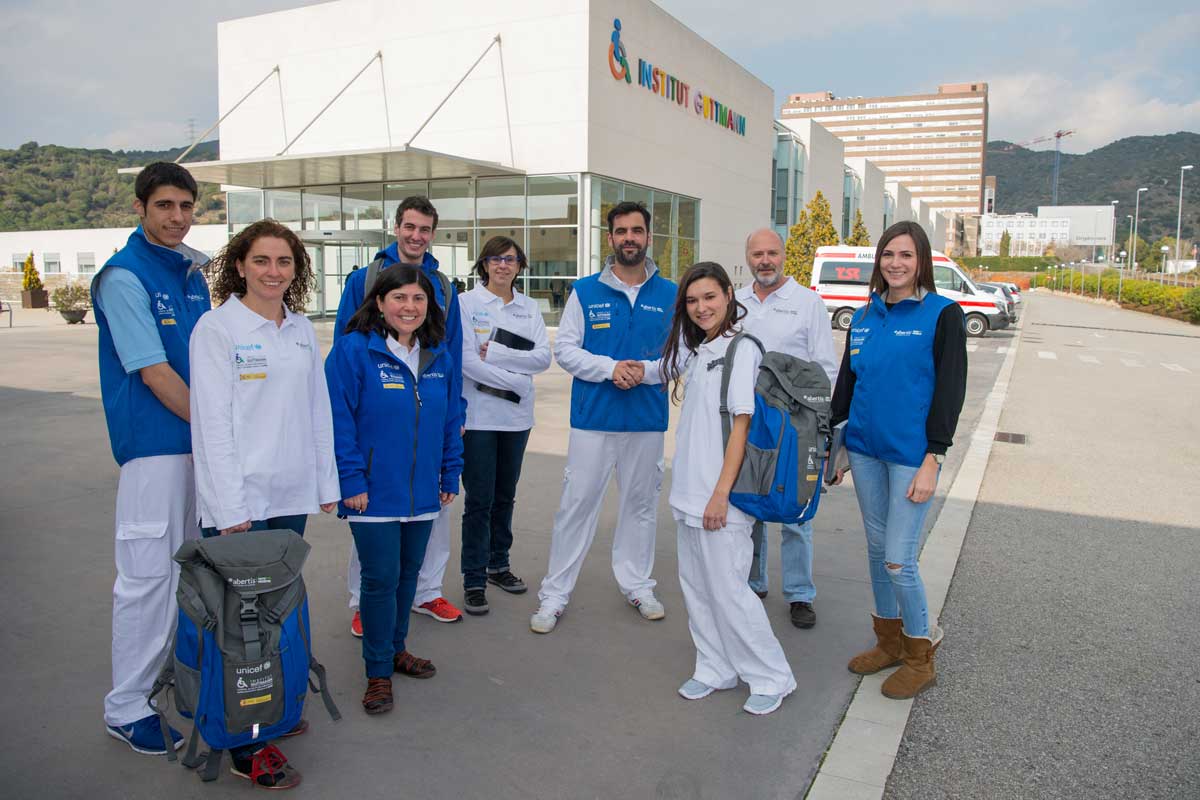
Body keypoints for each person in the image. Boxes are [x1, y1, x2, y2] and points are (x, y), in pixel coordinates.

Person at [188, 220, 340, 787]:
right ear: (239, 265)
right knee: (238, 625)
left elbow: (317, 409)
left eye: (284, 262)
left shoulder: (299, 329)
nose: (273, 272)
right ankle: (243, 743)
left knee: (277, 612)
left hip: (289, 496)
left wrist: (325, 482)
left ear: (296, 269)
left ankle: (270, 706)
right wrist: (230, 508)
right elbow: (212, 425)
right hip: (241, 503)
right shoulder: (217, 329)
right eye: (261, 260)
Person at [91, 162, 210, 755]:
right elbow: (154, 372)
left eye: (185, 206)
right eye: (164, 205)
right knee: (147, 580)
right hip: (155, 451)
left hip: (196, 450)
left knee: (190, 575)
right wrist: (217, 433)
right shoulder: (124, 276)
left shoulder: (191, 273)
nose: (177, 217)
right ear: (140, 207)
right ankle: (127, 706)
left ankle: (173, 681)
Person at [829, 221, 967, 700]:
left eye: (906, 255)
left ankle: (919, 654)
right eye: (888, 254)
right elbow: (847, 386)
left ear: (921, 260)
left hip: (912, 456)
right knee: (875, 550)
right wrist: (836, 450)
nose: (896, 263)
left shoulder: (942, 314)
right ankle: (888, 642)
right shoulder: (865, 315)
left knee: (897, 560)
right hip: (865, 450)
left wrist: (934, 457)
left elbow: (950, 390)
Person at [530, 201, 676, 633]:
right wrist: (611, 369)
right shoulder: (585, 291)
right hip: (593, 420)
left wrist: (646, 372)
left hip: (646, 421)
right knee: (576, 507)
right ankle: (554, 595)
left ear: (648, 237)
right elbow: (566, 349)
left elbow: (682, 354)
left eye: (637, 230)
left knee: (640, 507)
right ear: (610, 238)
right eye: (621, 231)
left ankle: (638, 586)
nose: (629, 237)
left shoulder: (670, 294)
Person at [660, 262, 797, 716]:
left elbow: (743, 424)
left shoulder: (742, 347)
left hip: (722, 498)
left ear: (728, 296)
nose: (701, 308)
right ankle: (715, 667)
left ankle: (772, 676)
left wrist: (721, 494)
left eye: (710, 297)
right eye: (692, 301)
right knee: (697, 589)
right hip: (688, 492)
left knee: (730, 592)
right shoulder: (701, 350)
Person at [325, 266, 464, 714]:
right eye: (399, 297)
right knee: (380, 579)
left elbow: (450, 420)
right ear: (380, 302)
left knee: (409, 575)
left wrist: (449, 474)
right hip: (372, 492)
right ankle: (378, 672)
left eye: (418, 299)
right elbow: (338, 421)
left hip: (423, 492)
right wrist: (350, 479)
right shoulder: (353, 351)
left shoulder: (438, 354)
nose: (409, 307)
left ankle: (396, 649)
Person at [335, 196, 466, 632]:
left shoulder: (443, 285)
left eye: (425, 229)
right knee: (374, 521)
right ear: (396, 227)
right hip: (382, 411)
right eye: (409, 226)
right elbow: (347, 340)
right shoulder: (366, 277)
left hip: (430, 407)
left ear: (433, 234)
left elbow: (453, 351)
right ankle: (363, 601)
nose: (416, 236)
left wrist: (455, 411)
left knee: (434, 512)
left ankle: (427, 592)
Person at [735, 229, 838, 629]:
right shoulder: (736, 303)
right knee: (751, 506)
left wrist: (821, 427)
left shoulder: (807, 303)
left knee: (796, 512)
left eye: (772, 253)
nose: (765, 260)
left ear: (783, 255)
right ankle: (753, 584)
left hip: (796, 425)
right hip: (749, 421)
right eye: (757, 254)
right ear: (748, 258)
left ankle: (799, 594)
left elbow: (825, 368)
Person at [457, 236, 552, 615]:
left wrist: (497, 353)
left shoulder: (529, 308)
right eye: (495, 259)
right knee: (478, 500)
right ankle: (473, 578)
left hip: (516, 421)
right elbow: (466, 361)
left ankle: (498, 565)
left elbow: (543, 358)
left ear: (519, 266)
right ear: (484, 264)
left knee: (504, 497)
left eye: (510, 259)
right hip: (479, 419)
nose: (502, 265)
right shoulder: (466, 304)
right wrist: (518, 381)